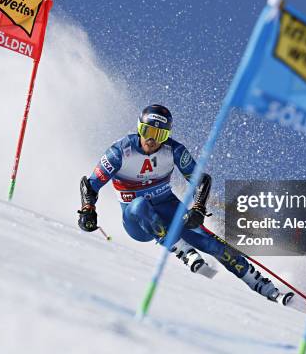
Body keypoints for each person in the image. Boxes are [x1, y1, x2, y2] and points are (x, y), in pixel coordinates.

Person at [77, 104, 293, 305]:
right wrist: (88, 210)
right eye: (147, 131)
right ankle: (182, 250)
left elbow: (202, 180)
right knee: (139, 204)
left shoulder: (174, 151)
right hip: (138, 222)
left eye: (160, 135)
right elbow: (90, 185)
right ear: (139, 128)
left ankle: (266, 288)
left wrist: (198, 208)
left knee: (214, 245)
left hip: (168, 208)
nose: (152, 140)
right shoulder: (120, 151)